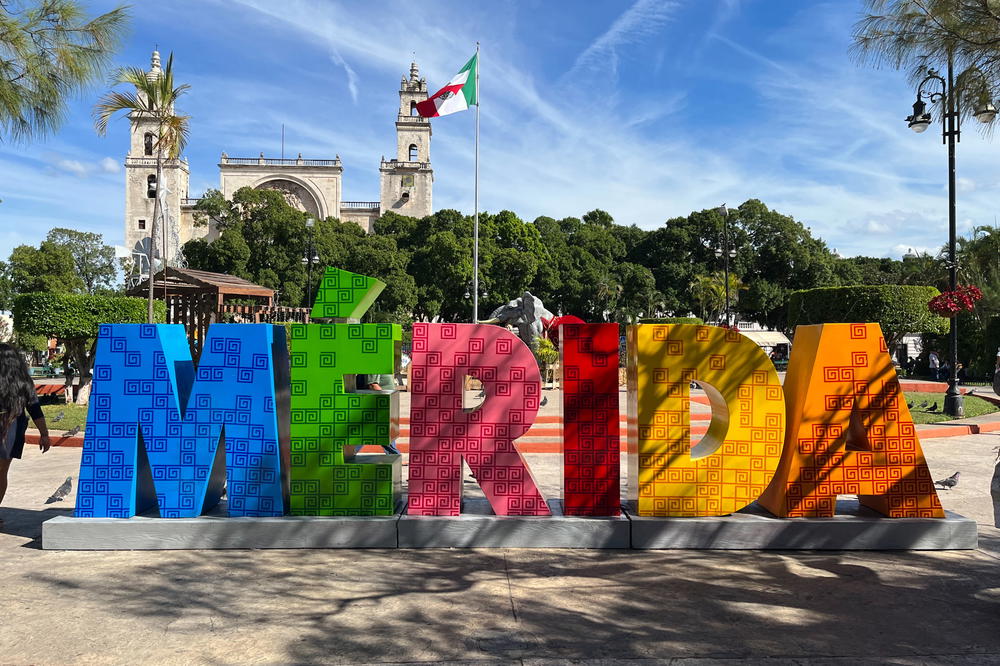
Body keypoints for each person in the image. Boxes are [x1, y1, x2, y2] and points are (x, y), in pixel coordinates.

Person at [0, 344, 52, 530]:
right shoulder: (23, 382)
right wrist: (44, 434)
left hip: (9, 426)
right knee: (1, 472)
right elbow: (35, 409)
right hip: (11, 428)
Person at [350, 373, 400, 456]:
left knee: (382, 431)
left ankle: (393, 454)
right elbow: (373, 385)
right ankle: (348, 453)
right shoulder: (375, 363)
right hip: (377, 402)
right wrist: (387, 399)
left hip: (380, 402)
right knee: (372, 430)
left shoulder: (381, 364)